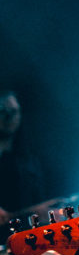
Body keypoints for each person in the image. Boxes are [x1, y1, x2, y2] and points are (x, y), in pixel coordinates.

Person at [0, 90, 47, 243]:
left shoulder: (29, 160)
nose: (9, 117)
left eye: (14, 111)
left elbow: (37, 200)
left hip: (23, 242)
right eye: (3, 111)